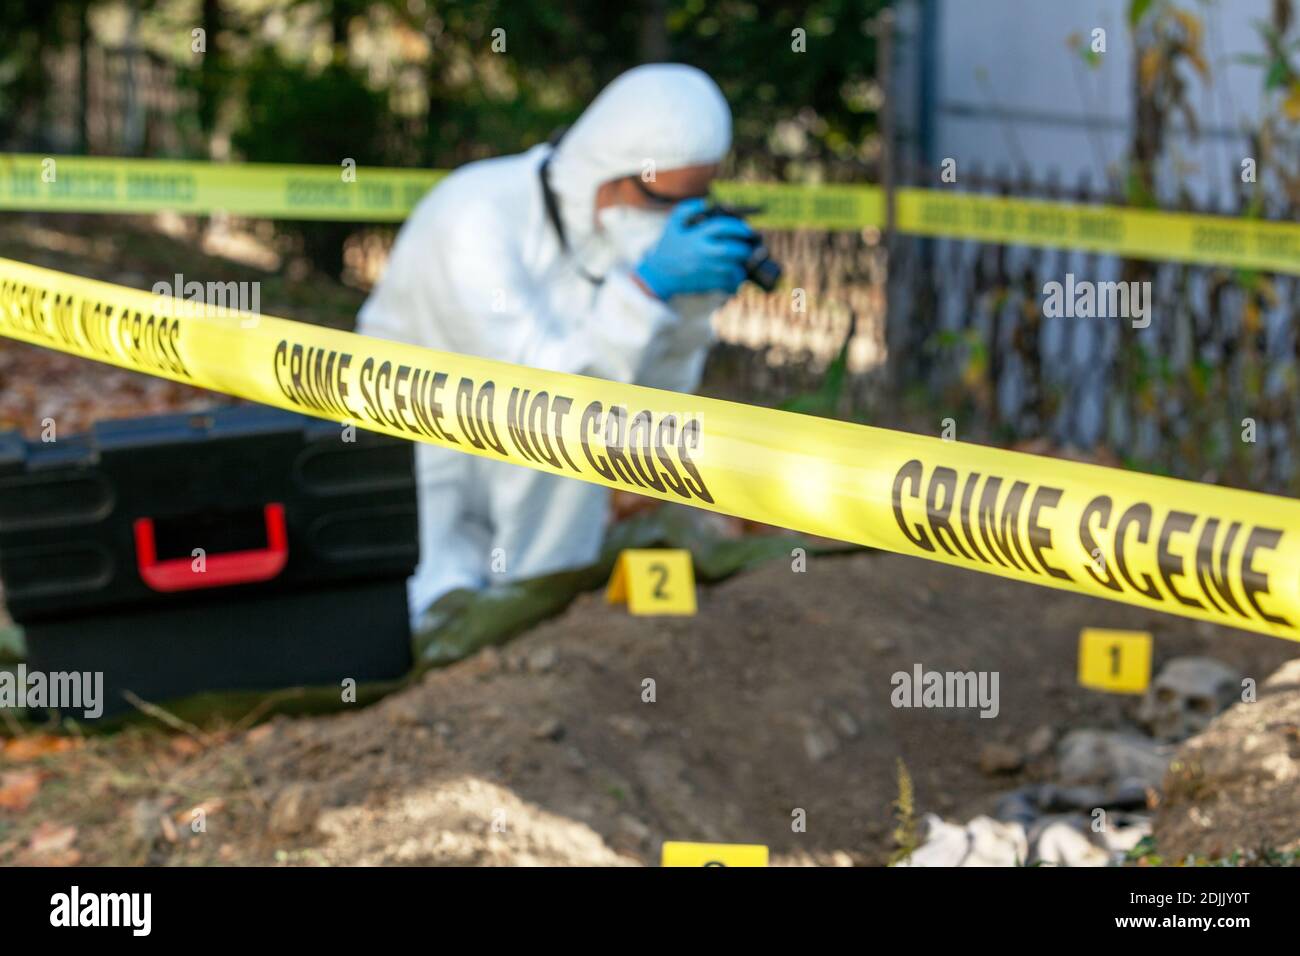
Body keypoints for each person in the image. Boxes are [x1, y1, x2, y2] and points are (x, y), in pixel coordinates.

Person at [358, 63, 758, 625]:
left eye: (695, 199)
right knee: (424, 612)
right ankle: (518, 626)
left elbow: (651, 397)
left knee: (573, 457)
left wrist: (689, 311)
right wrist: (646, 294)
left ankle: (537, 619)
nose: (671, 220)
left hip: (506, 468)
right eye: (660, 199)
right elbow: (546, 390)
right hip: (416, 457)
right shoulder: (474, 218)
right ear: (608, 168)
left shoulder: (609, 227)